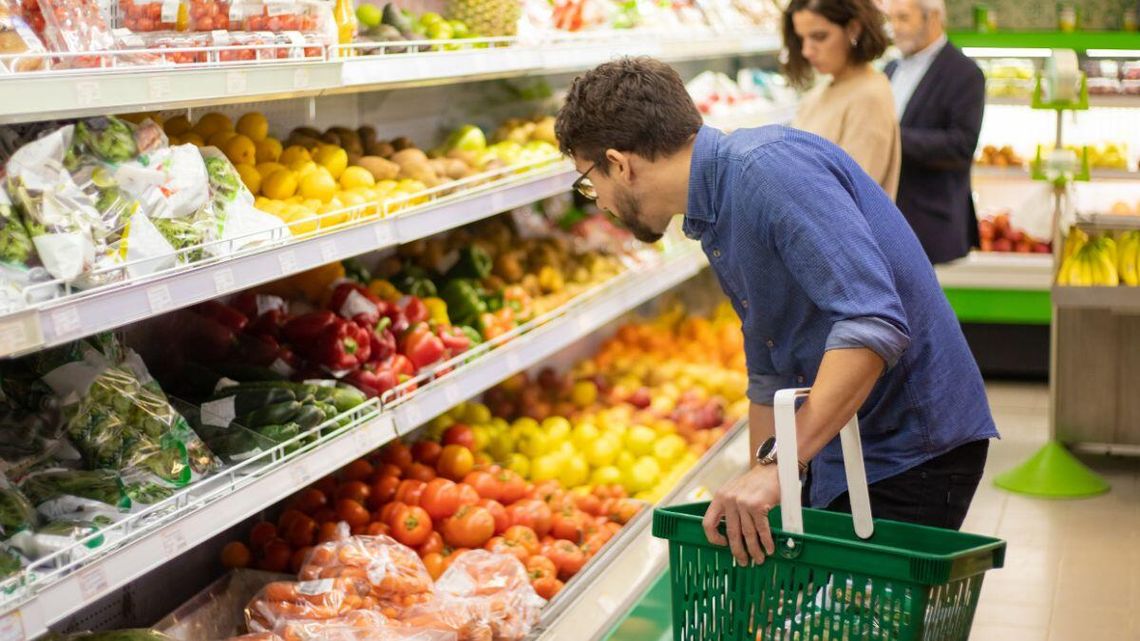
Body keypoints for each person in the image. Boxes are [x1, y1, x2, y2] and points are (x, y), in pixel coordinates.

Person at [554, 57, 998, 567]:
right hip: (845, 442)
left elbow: (872, 323)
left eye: (590, 182)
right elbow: (771, 370)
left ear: (620, 163)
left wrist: (780, 467)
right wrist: (758, 486)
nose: (599, 202)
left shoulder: (767, 172)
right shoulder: (713, 211)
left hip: (909, 446)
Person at [886, 0, 986, 264]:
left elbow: (961, 146)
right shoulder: (890, 68)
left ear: (933, 18)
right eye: (891, 18)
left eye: (903, 18)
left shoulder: (965, 73)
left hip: (932, 227)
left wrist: (890, 139)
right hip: (890, 222)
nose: (894, 28)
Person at [785, 0, 901, 198]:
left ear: (853, 29)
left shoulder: (869, 96)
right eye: (801, 38)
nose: (806, 51)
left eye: (819, 37)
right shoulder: (822, 91)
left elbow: (851, 193)